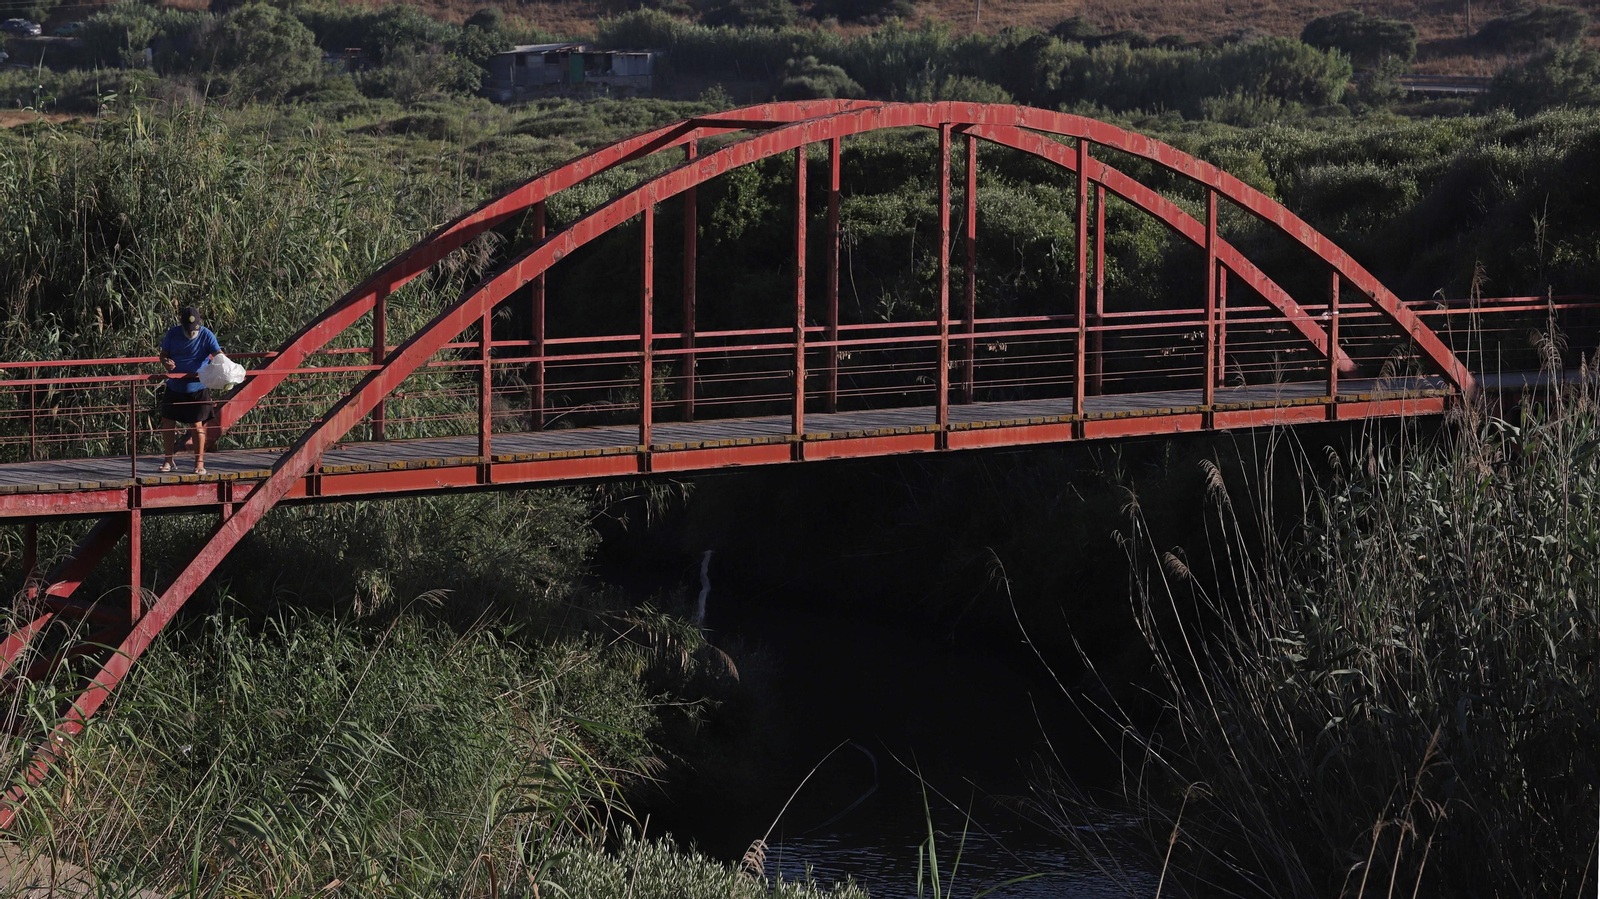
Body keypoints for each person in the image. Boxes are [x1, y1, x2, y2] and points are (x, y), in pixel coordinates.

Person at [157, 306, 223, 474]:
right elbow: (163, 354)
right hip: (175, 385)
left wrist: (225, 367)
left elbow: (218, 354)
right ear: (182, 325)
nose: (191, 332)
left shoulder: (206, 334)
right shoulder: (173, 333)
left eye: (194, 329)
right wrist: (166, 362)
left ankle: (199, 463)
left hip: (198, 386)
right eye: (188, 329)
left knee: (197, 425)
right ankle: (168, 460)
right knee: (167, 422)